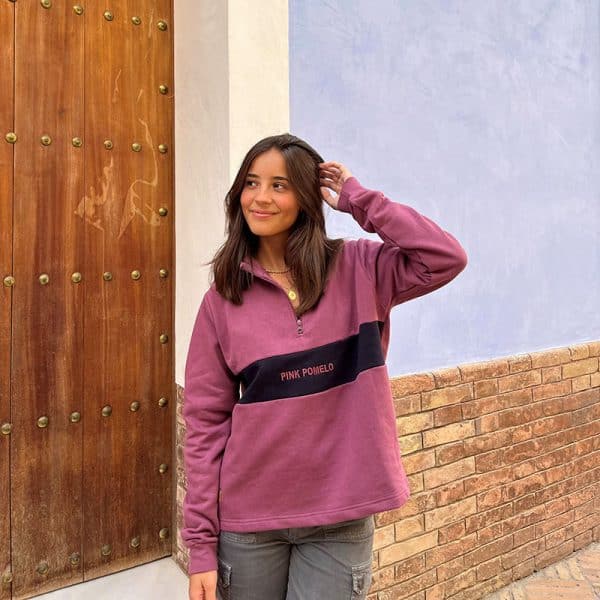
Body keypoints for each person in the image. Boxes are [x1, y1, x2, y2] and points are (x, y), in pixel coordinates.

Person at [182, 133, 468, 600]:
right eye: (251, 183)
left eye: (279, 185)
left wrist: (359, 199)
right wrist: (199, 546)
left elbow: (444, 257)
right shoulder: (223, 298)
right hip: (250, 523)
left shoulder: (361, 269)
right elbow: (204, 425)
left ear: (306, 196)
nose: (260, 197)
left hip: (340, 518)